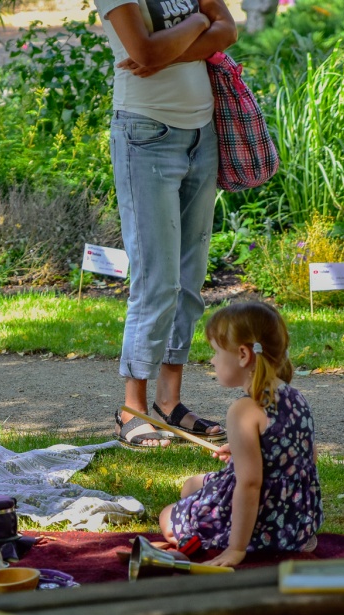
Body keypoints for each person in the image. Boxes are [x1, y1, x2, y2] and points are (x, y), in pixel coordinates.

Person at [94, 0, 237, 448]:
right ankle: (131, 409)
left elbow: (227, 30)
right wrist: (197, 21)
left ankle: (169, 402)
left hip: (201, 133)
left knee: (189, 278)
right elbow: (144, 50)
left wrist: (163, 54)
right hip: (145, 135)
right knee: (156, 279)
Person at [158, 302, 323, 566]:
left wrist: (236, 549)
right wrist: (243, 451)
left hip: (263, 521)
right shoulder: (297, 397)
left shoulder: (243, 410)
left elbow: (249, 485)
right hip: (297, 519)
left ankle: (228, 538)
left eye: (216, 352)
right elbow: (307, 456)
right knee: (189, 485)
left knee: (167, 517)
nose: (212, 360)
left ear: (243, 355)